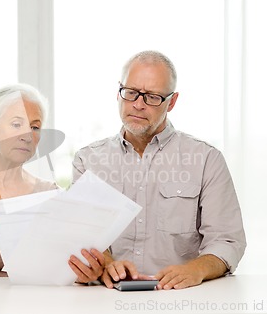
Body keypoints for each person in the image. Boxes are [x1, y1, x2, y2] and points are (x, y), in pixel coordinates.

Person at [69, 50, 246, 289]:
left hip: (181, 298)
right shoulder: (87, 160)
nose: (138, 105)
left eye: (152, 97)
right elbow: (81, 233)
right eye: (130, 93)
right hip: (107, 300)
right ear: (118, 93)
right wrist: (106, 263)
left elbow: (227, 240)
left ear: (171, 102)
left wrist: (196, 269)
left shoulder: (206, 159)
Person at [0, 83, 101, 288]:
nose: (27, 135)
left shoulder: (52, 194)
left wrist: (85, 273)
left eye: (35, 127)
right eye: (16, 124)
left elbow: (65, 266)